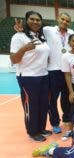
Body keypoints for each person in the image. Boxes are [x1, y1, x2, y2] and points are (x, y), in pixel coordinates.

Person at [14, 12, 74, 135]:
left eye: (67, 21)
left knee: (66, 99)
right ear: (58, 18)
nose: (64, 22)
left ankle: (67, 118)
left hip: (67, 71)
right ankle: (55, 123)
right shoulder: (48, 30)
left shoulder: (72, 33)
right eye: (62, 19)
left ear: (70, 23)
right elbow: (33, 28)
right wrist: (20, 30)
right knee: (52, 100)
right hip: (52, 71)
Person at [10, 11, 51, 141]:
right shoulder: (18, 37)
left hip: (43, 75)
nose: (35, 22)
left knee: (43, 104)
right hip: (28, 77)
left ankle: (40, 128)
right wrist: (24, 49)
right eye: (32, 19)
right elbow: (14, 59)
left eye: (38, 20)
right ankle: (32, 132)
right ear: (26, 20)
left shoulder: (40, 36)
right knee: (31, 105)